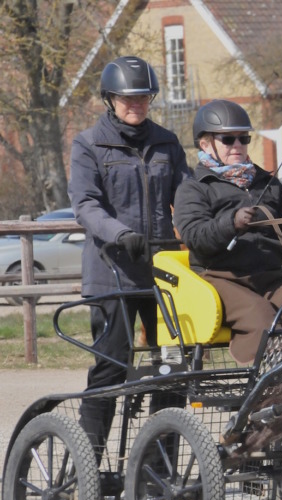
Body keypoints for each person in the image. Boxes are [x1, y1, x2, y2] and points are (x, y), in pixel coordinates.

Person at [68, 56, 190, 465]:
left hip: (162, 272)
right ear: (110, 99)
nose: (136, 104)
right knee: (112, 367)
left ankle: (158, 467)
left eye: (143, 97)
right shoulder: (89, 144)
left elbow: (186, 198)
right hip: (112, 271)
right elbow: (85, 205)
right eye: (127, 98)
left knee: (173, 366)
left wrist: (209, 226)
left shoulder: (167, 143)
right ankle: (88, 465)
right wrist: (121, 234)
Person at [174, 99, 282, 364]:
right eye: (228, 139)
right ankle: (268, 387)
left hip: (270, 277)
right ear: (205, 144)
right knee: (260, 317)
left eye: (243, 138)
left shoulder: (267, 183)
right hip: (221, 277)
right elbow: (194, 236)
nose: (238, 146)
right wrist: (230, 223)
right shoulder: (194, 188)